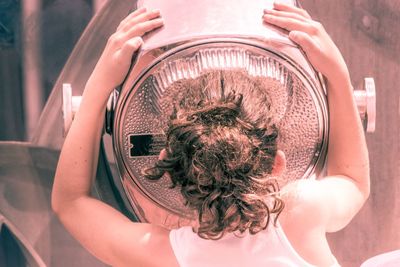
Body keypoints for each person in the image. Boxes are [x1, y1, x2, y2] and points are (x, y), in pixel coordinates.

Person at [51, 2, 370, 267]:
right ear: (277, 163)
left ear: (168, 165)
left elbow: (71, 202)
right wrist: (336, 74)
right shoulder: (301, 214)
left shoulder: (163, 254)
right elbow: (352, 180)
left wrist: (100, 84)